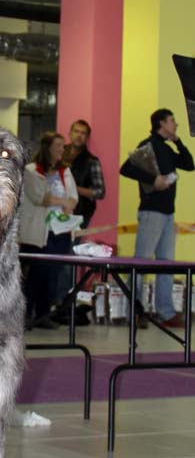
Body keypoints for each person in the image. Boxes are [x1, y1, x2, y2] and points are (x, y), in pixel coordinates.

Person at [119, 108, 194, 328]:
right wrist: (154, 179)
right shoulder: (148, 144)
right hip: (152, 212)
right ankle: (135, 312)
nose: (176, 124)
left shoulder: (167, 148)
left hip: (168, 213)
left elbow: (190, 164)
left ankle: (166, 312)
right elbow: (126, 168)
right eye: (172, 121)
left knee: (166, 264)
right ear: (161, 123)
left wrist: (178, 141)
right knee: (141, 261)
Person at [19, 131, 79, 329]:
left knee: (53, 274)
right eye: (58, 146)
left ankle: (44, 314)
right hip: (40, 232)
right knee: (37, 274)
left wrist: (67, 203)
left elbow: (73, 197)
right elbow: (39, 197)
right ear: (47, 148)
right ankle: (26, 315)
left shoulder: (66, 171)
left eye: (63, 146)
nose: (62, 149)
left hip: (60, 231)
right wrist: (62, 201)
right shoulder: (31, 170)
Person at [62, 119, 106, 229]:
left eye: (83, 133)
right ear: (70, 133)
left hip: (80, 212)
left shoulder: (92, 160)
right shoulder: (58, 153)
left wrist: (73, 188)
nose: (79, 136)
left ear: (87, 138)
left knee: (72, 246)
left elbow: (100, 192)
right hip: (55, 209)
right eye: (76, 131)